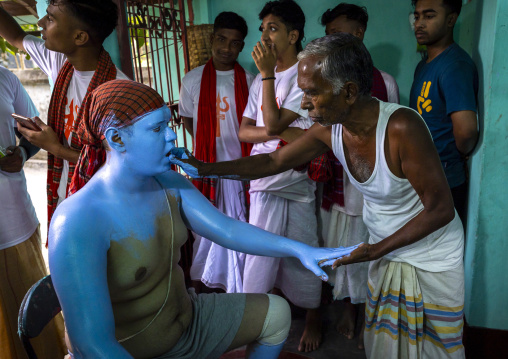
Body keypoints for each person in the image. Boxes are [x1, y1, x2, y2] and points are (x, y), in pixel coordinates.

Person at [170, 33, 466, 358]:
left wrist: (374, 250)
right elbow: (273, 160)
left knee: (438, 350)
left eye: (311, 93)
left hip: (431, 257)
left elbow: (441, 210)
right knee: (388, 347)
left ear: (349, 92)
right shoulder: (331, 128)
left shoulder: (401, 128)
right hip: (386, 248)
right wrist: (205, 168)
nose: (305, 103)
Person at [48, 79, 354, 359]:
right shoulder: (78, 220)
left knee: (277, 314)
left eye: (169, 125)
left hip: (189, 322)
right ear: (116, 139)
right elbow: (93, 344)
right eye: (157, 130)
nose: (172, 137)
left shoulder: (168, 182)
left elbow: (228, 230)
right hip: (135, 352)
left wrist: (300, 250)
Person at [237, 0, 325, 352]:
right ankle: (263, 318)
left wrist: (270, 77)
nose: (264, 36)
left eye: (272, 28)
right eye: (262, 29)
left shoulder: (304, 73)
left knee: (296, 242)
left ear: (294, 34)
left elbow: (269, 123)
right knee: (274, 245)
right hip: (272, 169)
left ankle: (313, 316)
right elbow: (245, 131)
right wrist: (282, 136)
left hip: (293, 171)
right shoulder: (262, 77)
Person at [0, 0, 129, 229]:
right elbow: (17, 37)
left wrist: (56, 148)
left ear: (79, 37)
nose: (40, 24)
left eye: (50, 19)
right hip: (65, 195)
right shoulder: (61, 62)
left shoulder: (118, 91)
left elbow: (122, 164)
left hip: (104, 208)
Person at [318, 2, 401, 348]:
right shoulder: (324, 83)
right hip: (338, 178)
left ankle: (368, 306)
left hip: (373, 185)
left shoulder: (385, 82)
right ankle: (347, 306)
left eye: (339, 33)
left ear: (359, 33)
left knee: (369, 241)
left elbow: (391, 129)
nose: (332, 40)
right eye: (328, 35)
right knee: (340, 243)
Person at [179, 12, 255, 294]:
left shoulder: (249, 80)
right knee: (208, 231)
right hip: (208, 168)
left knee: (239, 225)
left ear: (241, 47)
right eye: (221, 39)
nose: (226, 48)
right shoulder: (192, 80)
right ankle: (208, 282)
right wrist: (206, 149)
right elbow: (188, 119)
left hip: (239, 169)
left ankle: (240, 284)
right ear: (212, 39)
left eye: (235, 43)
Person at [0, 65, 65, 358]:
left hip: (13, 221)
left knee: (31, 319)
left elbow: (33, 131)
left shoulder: (5, 78)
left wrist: (23, 153)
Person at [410, 0, 478, 226]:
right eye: (417, 16)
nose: (419, 23)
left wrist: (455, 156)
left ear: (451, 19)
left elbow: (466, 131)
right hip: (423, 176)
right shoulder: (424, 65)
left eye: (429, 16)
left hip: (445, 180)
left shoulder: (455, 65)